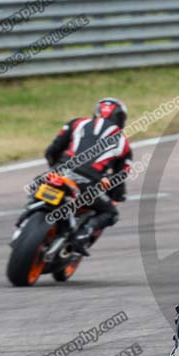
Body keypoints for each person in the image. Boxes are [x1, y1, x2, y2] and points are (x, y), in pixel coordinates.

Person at [44, 98, 132, 255]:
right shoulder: (122, 141)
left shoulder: (76, 123)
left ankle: (27, 215)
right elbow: (120, 176)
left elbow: (52, 151)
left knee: (38, 187)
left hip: (59, 172)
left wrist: (56, 168)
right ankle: (84, 232)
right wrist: (118, 195)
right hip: (88, 182)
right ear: (121, 119)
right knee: (110, 213)